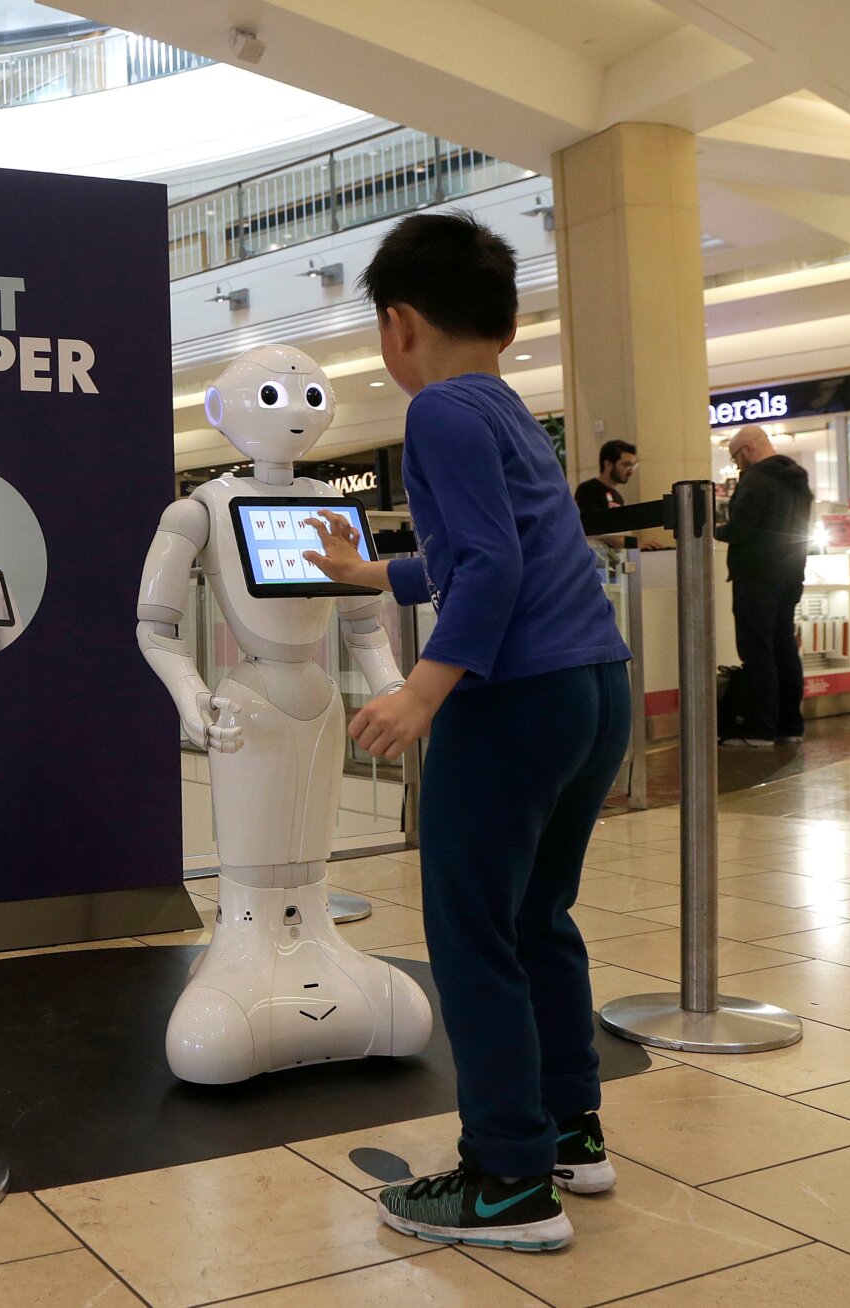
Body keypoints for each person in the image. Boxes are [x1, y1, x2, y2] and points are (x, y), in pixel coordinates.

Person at [301, 211, 631, 1253]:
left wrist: (424, 690)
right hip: (592, 686)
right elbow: (510, 550)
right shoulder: (505, 408)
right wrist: (376, 573)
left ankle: (504, 1180)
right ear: (506, 315)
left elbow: (488, 569)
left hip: (514, 697)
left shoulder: (438, 413)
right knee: (539, 918)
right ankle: (568, 1129)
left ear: (398, 324)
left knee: (474, 934)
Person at [716, 424, 814, 747]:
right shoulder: (797, 478)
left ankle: (760, 728)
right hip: (790, 575)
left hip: (757, 576)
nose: (737, 465)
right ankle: (790, 725)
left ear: (747, 450)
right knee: (784, 647)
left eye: (735, 458)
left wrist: (714, 529)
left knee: (757, 649)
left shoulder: (756, 480)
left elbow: (742, 529)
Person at [575, 440, 636, 516]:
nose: (630, 472)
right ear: (608, 464)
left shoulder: (618, 498)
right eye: (626, 465)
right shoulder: (588, 490)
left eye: (633, 466)